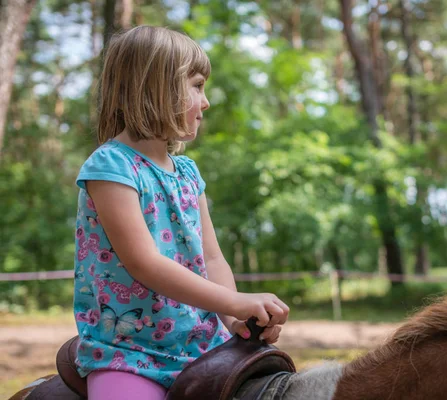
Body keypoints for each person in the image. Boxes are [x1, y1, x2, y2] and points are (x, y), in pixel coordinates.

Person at [72, 25, 289, 400]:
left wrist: (233, 318)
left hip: (204, 345)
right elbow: (145, 263)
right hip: (129, 353)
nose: (205, 102)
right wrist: (235, 301)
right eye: (197, 86)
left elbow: (212, 256)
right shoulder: (111, 166)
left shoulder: (188, 173)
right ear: (156, 87)